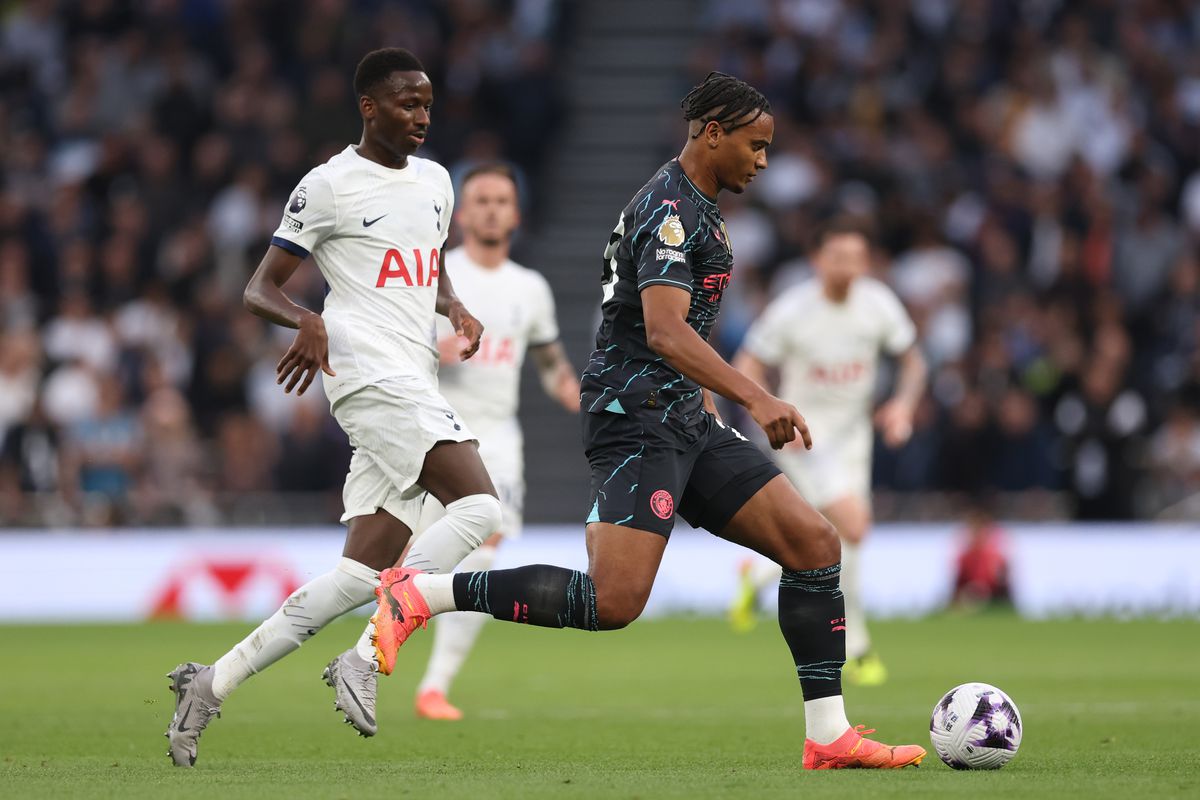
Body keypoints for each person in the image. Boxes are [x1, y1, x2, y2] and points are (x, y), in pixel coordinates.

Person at [369, 72, 926, 770]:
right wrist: (758, 397)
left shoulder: (699, 206)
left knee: (815, 545)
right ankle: (421, 593)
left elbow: (680, 330)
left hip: (684, 415)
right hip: (635, 418)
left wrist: (711, 400)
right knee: (613, 601)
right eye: (755, 145)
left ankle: (829, 735)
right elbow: (664, 330)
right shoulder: (669, 211)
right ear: (712, 134)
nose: (763, 160)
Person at [164, 48, 503, 767]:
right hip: (367, 375)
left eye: (427, 104)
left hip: (414, 377)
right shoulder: (328, 186)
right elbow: (259, 288)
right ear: (369, 107)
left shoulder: (437, 182)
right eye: (407, 103)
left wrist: (454, 306)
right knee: (479, 508)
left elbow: (428, 264)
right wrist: (306, 318)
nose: (422, 116)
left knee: (358, 576)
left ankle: (210, 682)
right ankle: (367, 654)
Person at [328, 162, 579, 729]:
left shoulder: (530, 288)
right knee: (398, 562)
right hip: (432, 435)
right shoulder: (433, 276)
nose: (491, 210)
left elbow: (548, 360)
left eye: (501, 201)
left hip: (500, 442)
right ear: (460, 214)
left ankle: (434, 686)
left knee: (485, 550)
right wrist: (433, 353)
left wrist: (571, 389)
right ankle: (363, 651)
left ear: (516, 215)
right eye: (481, 200)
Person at [728, 218, 927, 688]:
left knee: (838, 538)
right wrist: (771, 412)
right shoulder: (793, 310)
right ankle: (856, 647)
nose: (848, 267)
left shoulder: (878, 303)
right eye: (838, 257)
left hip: (855, 441)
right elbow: (747, 362)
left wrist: (903, 405)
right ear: (816, 259)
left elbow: (914, 362)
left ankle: (759, 574)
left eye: (856, 258)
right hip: (805, 439)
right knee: (853, 526)